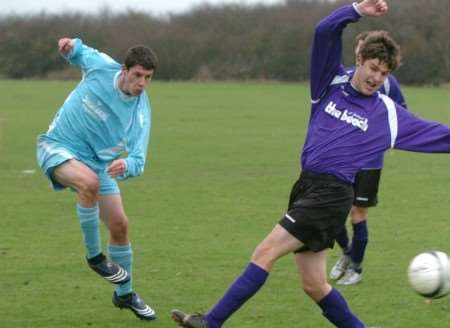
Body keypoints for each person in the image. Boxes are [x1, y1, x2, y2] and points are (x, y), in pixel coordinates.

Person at [171, 0, 450, 327]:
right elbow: (323, 31)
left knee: (265, 252)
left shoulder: (387, 114)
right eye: (373, 68)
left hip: (331, 195)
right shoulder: (328, 82)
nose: (376, 78)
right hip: (307, 187)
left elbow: (441, 136)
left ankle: (210, 323)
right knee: (315, 285)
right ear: (358, 59)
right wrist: (356, 11)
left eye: (384, 73)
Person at [36, 37, 158, 321]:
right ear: (124, 70)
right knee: (88, 183)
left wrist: (126, 165)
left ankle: (125, 294)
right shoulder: (102, 67)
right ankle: (94, 257)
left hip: (97, 165)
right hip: (57, 146)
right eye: (138, 75)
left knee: (120, 224)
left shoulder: (140, 114)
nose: (142, 83)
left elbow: (139, 160)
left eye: (148, 78)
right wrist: (68, 46)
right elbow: (79, 51)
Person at [329, 30, 408, 285]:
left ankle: (357, 269)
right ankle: (347, 253)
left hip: (370, 160)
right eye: (360, 49)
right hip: (341, 158)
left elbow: (401, 113)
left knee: (357, 213)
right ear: (359, 54)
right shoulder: (345, 78)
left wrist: (383, 135)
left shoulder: (386, 84)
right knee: (332, 211)